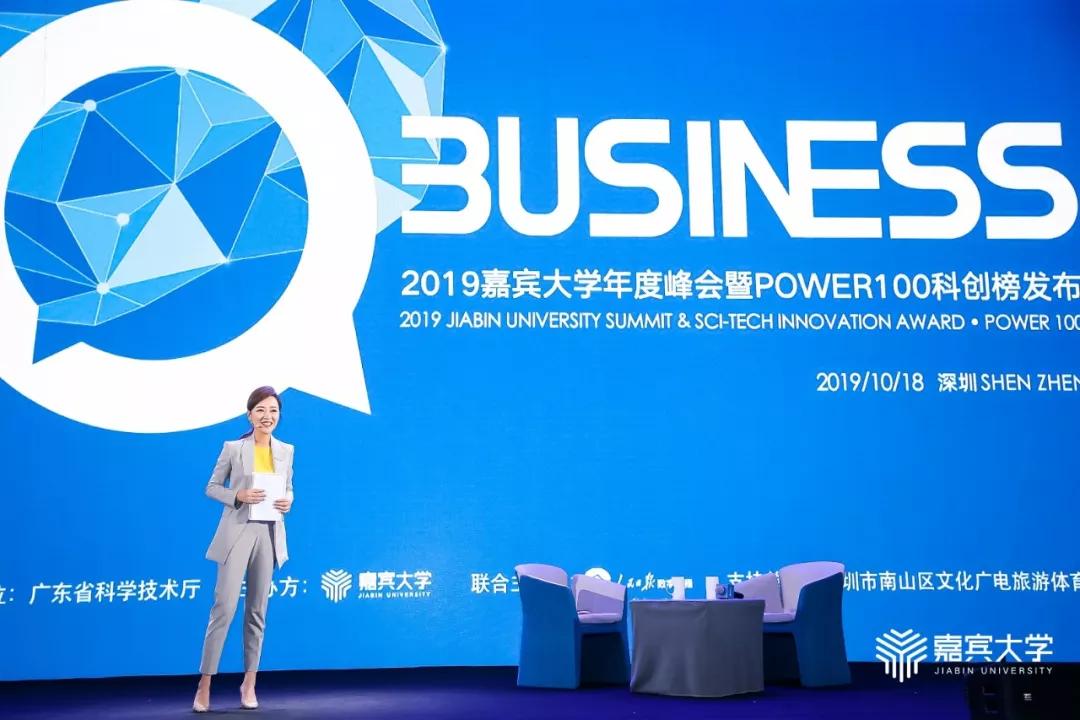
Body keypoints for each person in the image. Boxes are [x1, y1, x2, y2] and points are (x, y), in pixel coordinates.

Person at [193, 386, 294, 713]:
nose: (268, 416)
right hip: (237, 531)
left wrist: (288, 500)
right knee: (224, 607)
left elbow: (288, 487)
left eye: (273, 411)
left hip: (269, 533)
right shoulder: (233, 448)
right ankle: (205, 684)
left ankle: (249, 683)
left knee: (257, 611)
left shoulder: (286, 450)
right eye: (261, 410)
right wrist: (237, 496)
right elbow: (211, 487)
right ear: (249, 415)